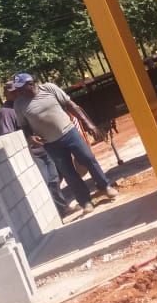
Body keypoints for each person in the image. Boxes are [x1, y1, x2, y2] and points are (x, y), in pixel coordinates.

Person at [10, 72, 117, 214]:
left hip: (69, 132)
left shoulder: (49, 88)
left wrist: (88, 123)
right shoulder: (19, 104)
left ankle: (105, 186)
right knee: (68, 172)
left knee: (88, 158)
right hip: (50, 143)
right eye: (17, 89)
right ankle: (85, 201)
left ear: (31, 84)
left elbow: (70, 105)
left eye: (21, 88)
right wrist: (30, 137)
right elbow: (24, 126)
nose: (19, 92)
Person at [0, 81, 75, 217]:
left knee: (54, 178)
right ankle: (60, 210)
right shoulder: (6, 112)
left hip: (44, 147)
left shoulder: (24, 103)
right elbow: (8, 136)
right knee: (46, 181)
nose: (15, 94)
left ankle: (62, 208)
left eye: (17, 91)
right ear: (6, 94)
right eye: (12, 92)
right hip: (32, 153)